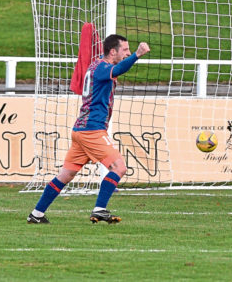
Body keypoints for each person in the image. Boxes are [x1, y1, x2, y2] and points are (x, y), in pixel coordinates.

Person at [27, 34, 150, 224]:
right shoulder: (102, 67)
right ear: (113, 51)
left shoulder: (95, 66)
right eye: (124, 49)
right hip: (92, 129)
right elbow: (118, 69)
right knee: (119, 167)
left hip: (81, 130)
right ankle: (100, 209)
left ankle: (36, 214)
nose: (126, 53)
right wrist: (137, 55)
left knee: (66, 174)